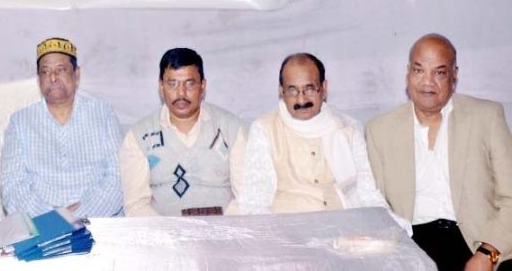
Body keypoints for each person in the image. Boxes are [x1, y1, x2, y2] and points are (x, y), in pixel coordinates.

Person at [366, 34, 512, 270]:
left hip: (477, 241)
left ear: (454, 75)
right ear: (407, 74)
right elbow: (377, 209)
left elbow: (510, 197)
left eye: (439, 72)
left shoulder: (486, 117)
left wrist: (488, 252)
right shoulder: (379, 130)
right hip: (413, 245)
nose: (427, 82)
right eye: (419, 70)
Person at [237, 53, 394, 218]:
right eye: (292, 90)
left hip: (344, 228)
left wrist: (388, 224)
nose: (302, 99)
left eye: (309, 89)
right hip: (288, 231)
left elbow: (366, 192)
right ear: (281, 91)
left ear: (324, 88)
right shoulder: (265, 129)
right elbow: (255, 203)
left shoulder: (348, 128)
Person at [1, 37, 123, 218]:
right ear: (38, 78)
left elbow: (118, 177)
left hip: (99, 221)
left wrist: (79, 216)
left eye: (61, 70)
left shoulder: (102, 113)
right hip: (40, 226)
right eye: (45, 71)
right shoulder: (20, 122)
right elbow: (12, 186)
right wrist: (51, 219)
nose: (53, 78)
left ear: (77, 74)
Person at [119, 48, 244, 217]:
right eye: (172, 84)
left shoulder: (231, 128)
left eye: (190, 83)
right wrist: (169, 236)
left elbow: (246, 196)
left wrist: (221, 231)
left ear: (203, 86)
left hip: (224, 232)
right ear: (161, 87)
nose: (181, 93)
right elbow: (136, 205)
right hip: (164, 235)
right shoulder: (140, 136)